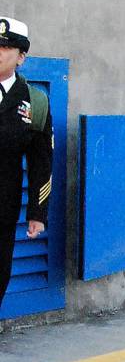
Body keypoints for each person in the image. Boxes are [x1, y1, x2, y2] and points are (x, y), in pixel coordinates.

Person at [0, 18, 53, 312]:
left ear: (21, 57)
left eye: (6, 46)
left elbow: (41, 162)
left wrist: (37, 212)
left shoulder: (35, 102)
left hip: (3, 211)